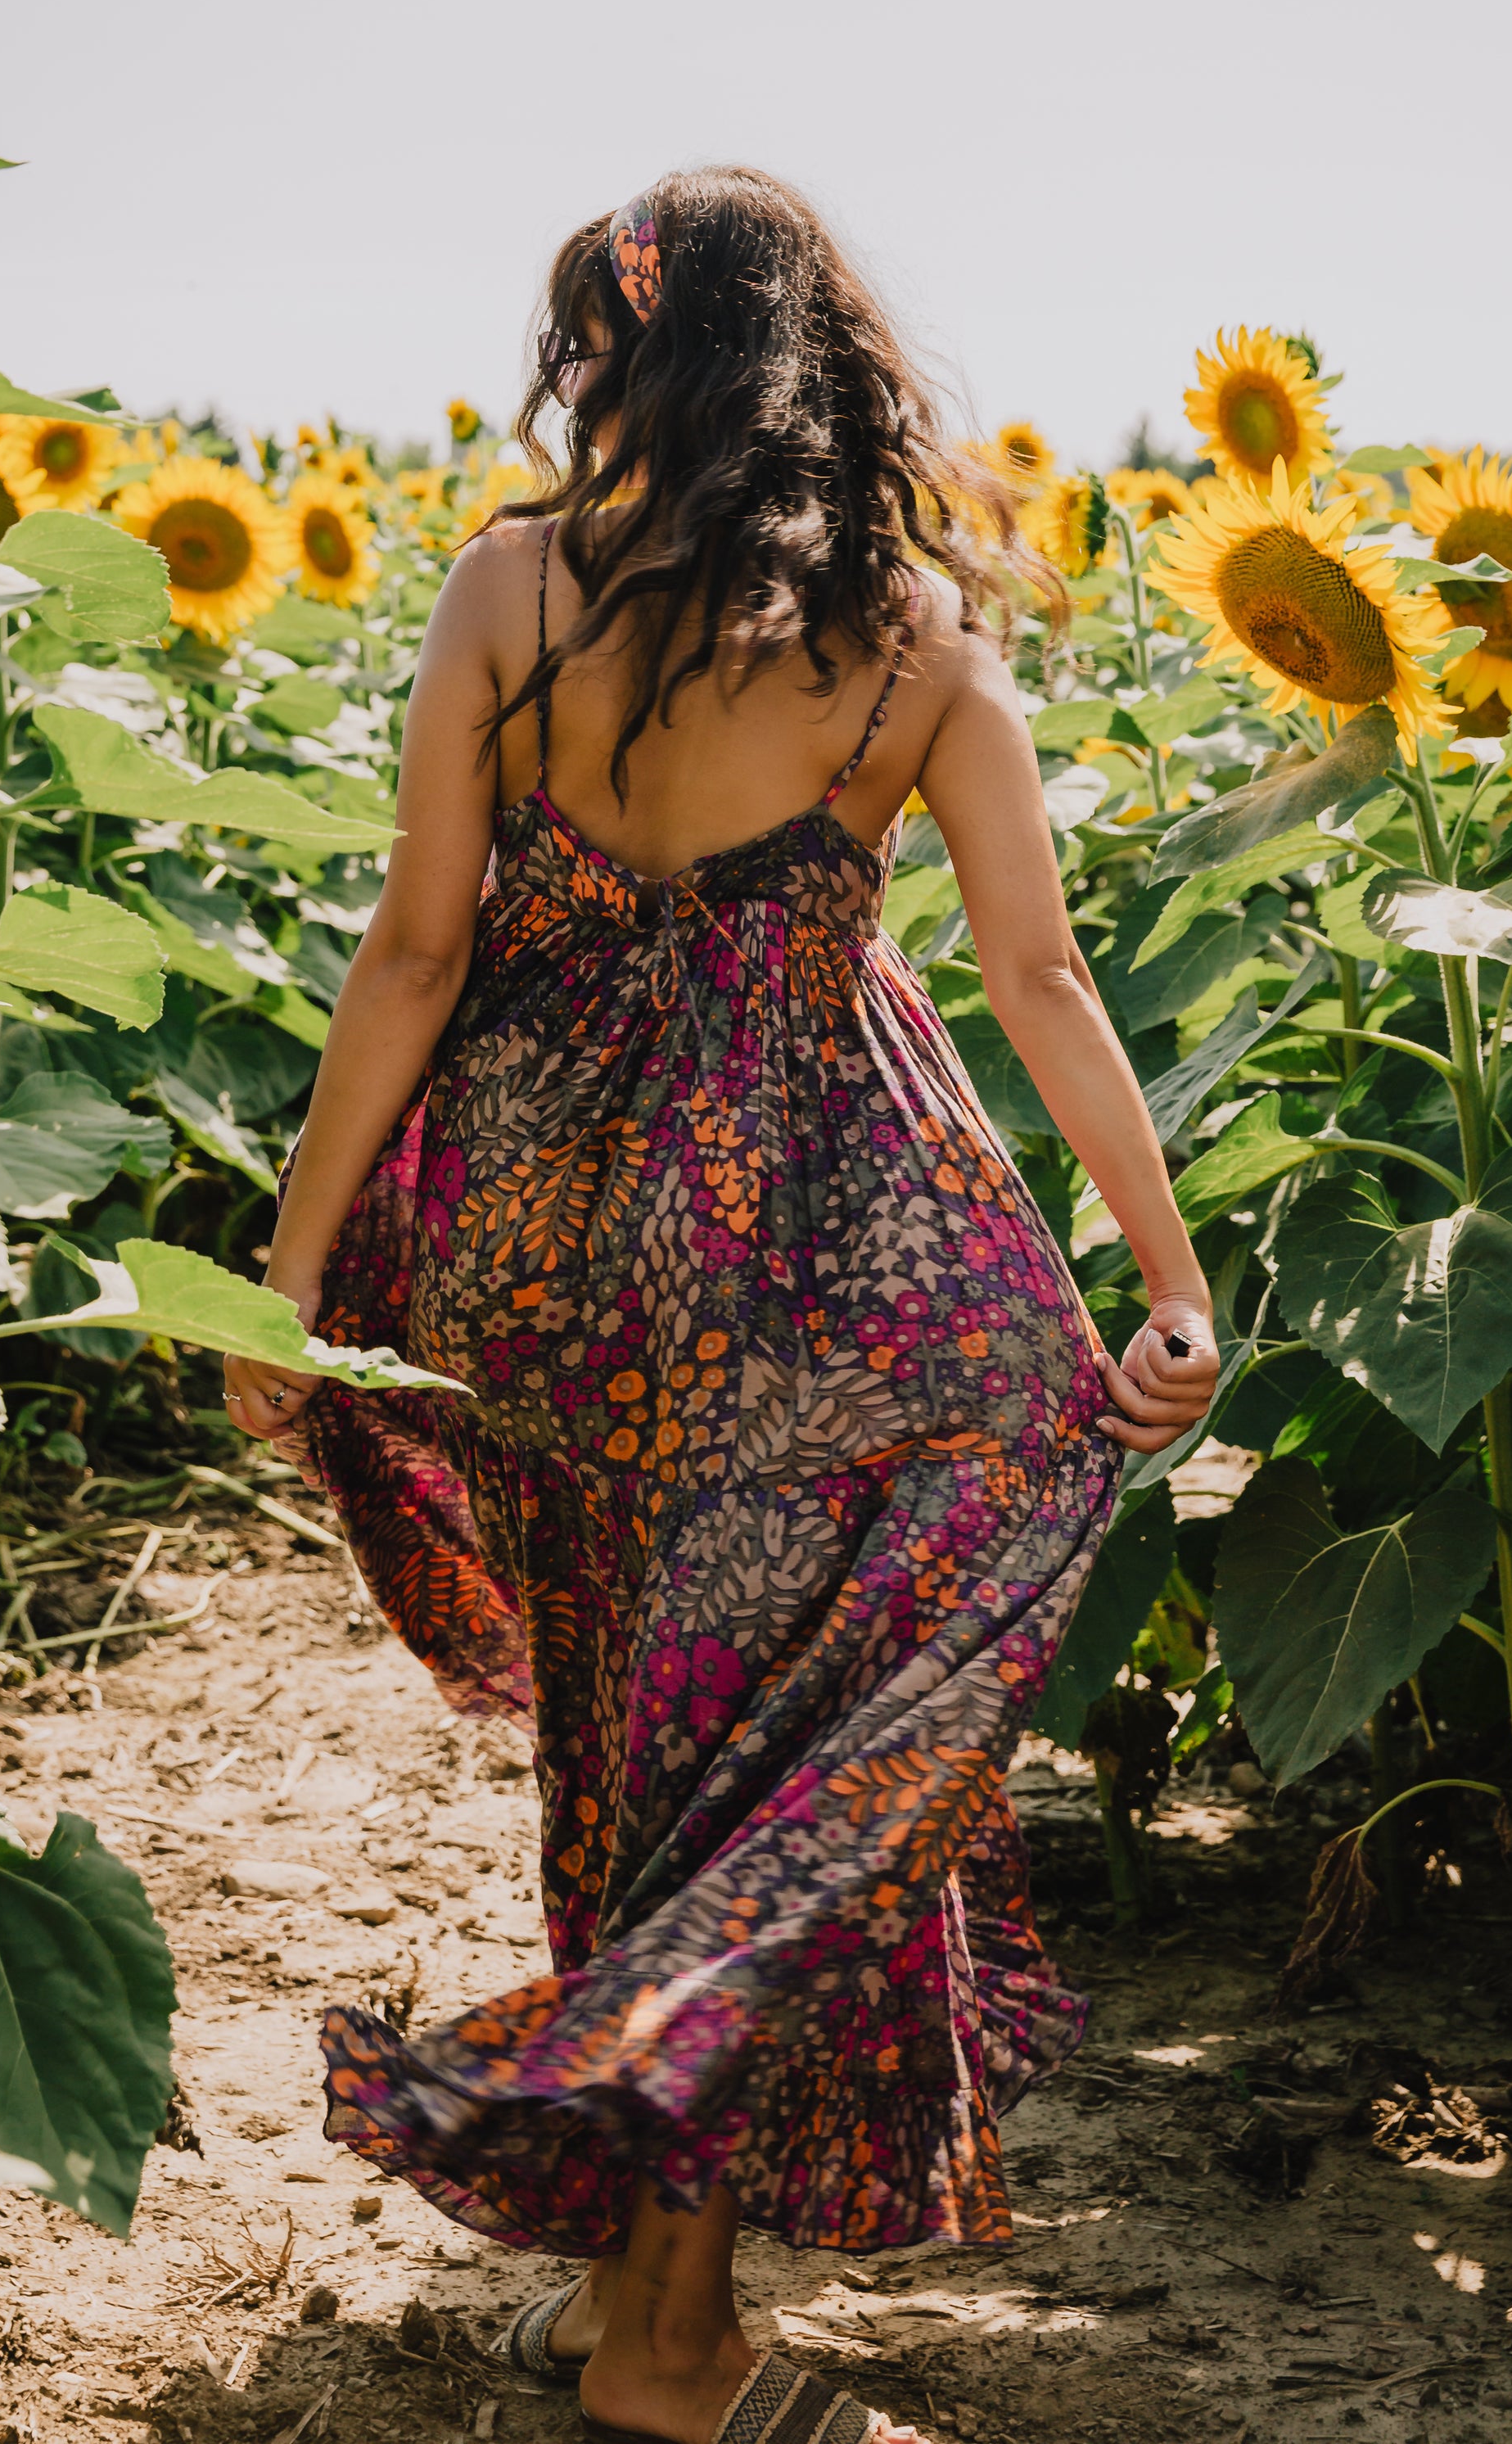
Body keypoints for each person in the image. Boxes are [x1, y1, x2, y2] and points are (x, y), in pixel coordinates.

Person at [223, 169, 1219, 2444]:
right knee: (800, 1789)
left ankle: (620, 2302)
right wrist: (1158, 1286)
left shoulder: (511, 591)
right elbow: (1039, 979)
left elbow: (413, 956)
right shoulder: (911, 646)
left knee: (634, 1752)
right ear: (827, 374)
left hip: (547, 1261)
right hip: (855, 1279)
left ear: (621, 359)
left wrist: (287, 1286)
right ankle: (670, 2348)